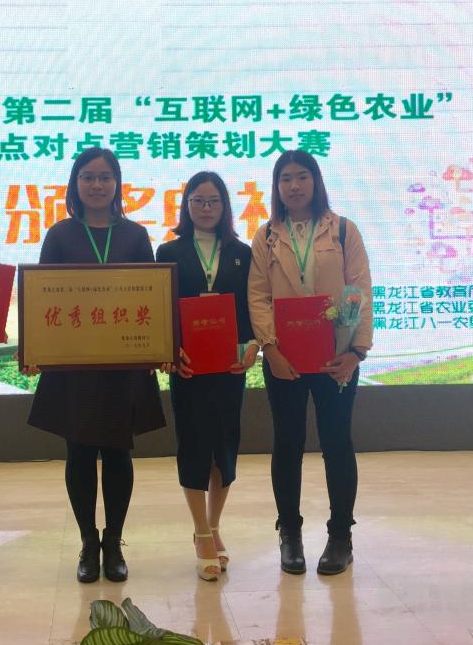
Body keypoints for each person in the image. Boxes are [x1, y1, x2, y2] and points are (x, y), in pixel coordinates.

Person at [22, 147, 165, 583]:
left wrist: (157, 344)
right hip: (75, 367)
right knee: (80, 454)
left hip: (122, 366)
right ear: (75, 184)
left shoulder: (135, 236)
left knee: (119, 453)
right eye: (88, 177)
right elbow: (42, 298)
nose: (97, 185)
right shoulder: (59, 234)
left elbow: (152, 296)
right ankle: (88, 541)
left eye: (105, 177)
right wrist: (35, 349)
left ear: (117, 184)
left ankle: (114, 542)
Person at [247, 149, 373, 576]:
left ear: (316, 182)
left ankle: (340, 536)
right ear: (277, 187)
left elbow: (359, 289)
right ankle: (290, 535)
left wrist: (355, 352)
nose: (294, 185)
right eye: (285, 178)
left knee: (337, 443)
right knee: (287, 444)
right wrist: (270, 349)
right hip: (285, 360)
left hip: (336, 359)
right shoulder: (266, 236)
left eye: (302, 176)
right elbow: (258, 297)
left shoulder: (343, 230)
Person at [156, 171, 258, 581]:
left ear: (225, 206)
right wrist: (170, 350)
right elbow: (161, 307)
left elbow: (251, 307)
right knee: (194, 445)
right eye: (197, 200)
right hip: (189, 367)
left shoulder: (242, 252)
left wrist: (253, 345)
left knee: (224, 447)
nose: (205, 208)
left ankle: (215, 526)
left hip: (230, 367)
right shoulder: (168, 251)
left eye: (213, 201)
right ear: (186, 205)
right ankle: (200, 531)